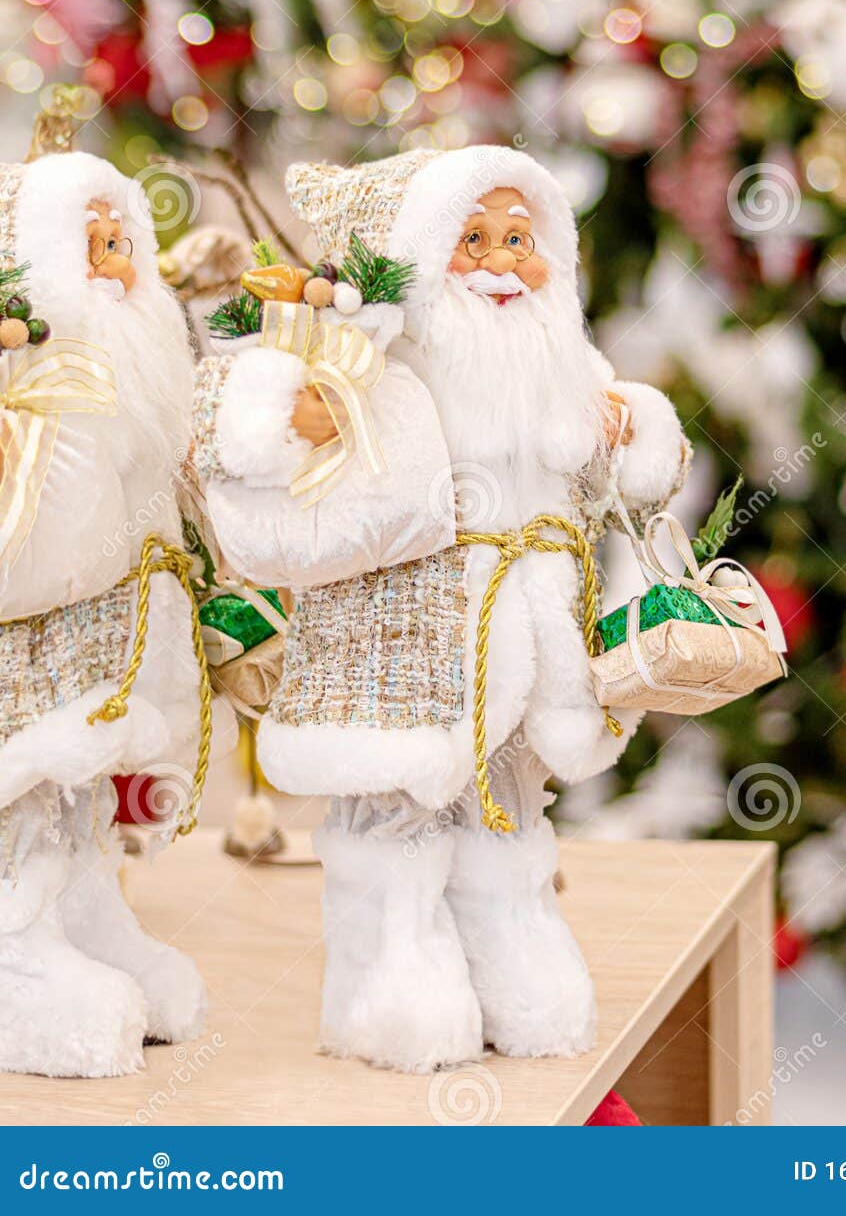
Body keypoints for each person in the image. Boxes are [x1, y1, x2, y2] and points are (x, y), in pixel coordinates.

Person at [194, 146, 690, 1071]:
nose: (504, 262)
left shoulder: (556, 363)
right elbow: (235, 419)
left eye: (519, 238)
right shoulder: (364, 356)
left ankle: (513, 938)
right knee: (400, 802)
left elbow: (603, 462)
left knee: (505, 800)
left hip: (525, 623)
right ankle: (392, 971)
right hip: (405, 636)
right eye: (473, 240)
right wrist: (292, 417)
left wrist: (626, 428)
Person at [0, 147, 226, 1077]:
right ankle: (20, 945)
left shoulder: (132, 384)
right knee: (26, 795)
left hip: (105, 646)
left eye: (122, 239)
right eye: (89, 245)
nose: (116, 264)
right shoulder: (30, 396)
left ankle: (85, 911)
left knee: (79, 804)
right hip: (27, 664)